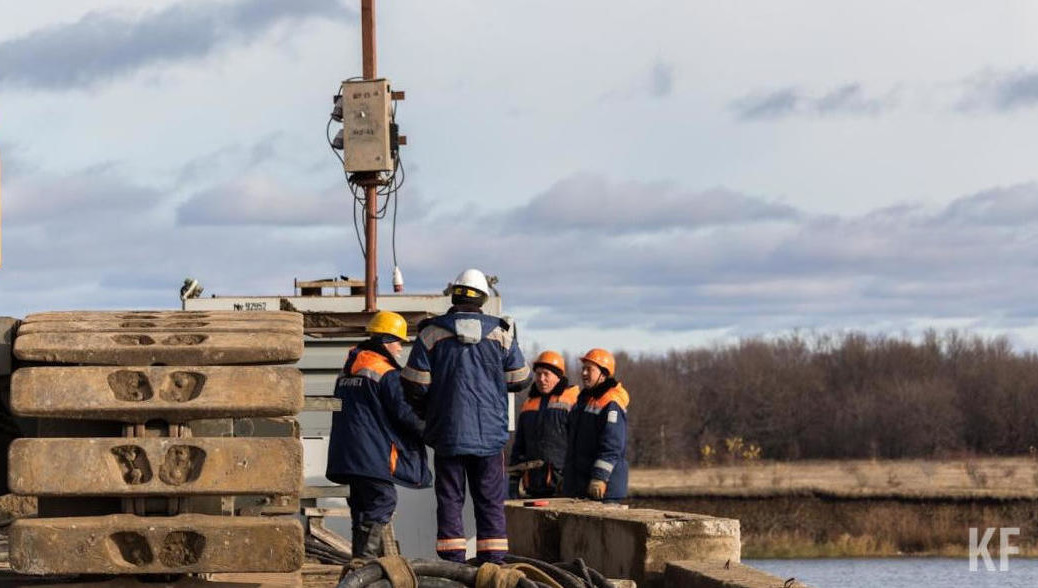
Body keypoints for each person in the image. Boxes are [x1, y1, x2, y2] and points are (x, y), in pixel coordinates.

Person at [402, 268, 531, 564]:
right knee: (490, 503)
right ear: (483, 297)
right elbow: (521, 379)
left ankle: (452, 567)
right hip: (490, 438)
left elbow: (414, 384)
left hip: (448, 435)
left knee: (450, 501)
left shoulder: (431, 332)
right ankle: (494, 565)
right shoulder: (501, 332)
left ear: (455, 294)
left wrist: (430, 409)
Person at [326, 311, 432, 558]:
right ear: (386, 340)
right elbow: (405, 414)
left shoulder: (349, 370)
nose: (400, 349)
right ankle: (366, 565)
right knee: (382, 501)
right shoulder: (386, 373)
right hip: (373, 457)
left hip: (348, 456)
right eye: (399, 342)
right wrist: (432, 431)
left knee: (362, 511)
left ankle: (362, 566)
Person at [509, 350, 579, 498]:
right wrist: (514, 479)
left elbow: (581, 445)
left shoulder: (573, 402)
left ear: (559, 376)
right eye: (538, 374)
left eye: (546, 374)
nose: (541, 379)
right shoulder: (528, 404)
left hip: (563, 487)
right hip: (533, 484)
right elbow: (519, 446)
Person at [563, 348, 630, 502]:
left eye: (589, 369)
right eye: (583, 369)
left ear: (603, 374)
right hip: (581, 486)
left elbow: (612, 446)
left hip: (604, 490)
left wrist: (600, 478)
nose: (584, 373)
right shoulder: (584, 401)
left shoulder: (611, 403)